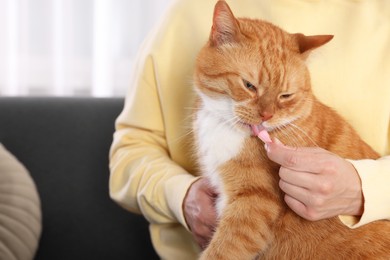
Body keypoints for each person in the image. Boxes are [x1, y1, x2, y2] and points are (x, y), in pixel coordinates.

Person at [109, 0, 390, 258]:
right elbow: (130, 151)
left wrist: (366, 188)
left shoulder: (382, 17)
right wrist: (180, 197)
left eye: (285, 97)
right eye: (250, 86)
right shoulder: (186, 12)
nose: (265, 115)